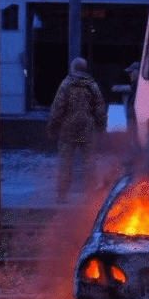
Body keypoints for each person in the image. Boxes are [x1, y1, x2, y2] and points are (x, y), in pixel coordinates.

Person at [48, 57, 107, 202]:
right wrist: (101, 128)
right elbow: (100, 109)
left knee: (65, 162)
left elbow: (57, 108)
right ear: (85, 69)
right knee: (89, 163)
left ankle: (62, 196)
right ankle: (90, 196)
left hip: (68, 130)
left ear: (73, 68)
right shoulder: (92, 85)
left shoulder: (66, 84)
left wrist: (52, 128)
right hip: (88, 129)